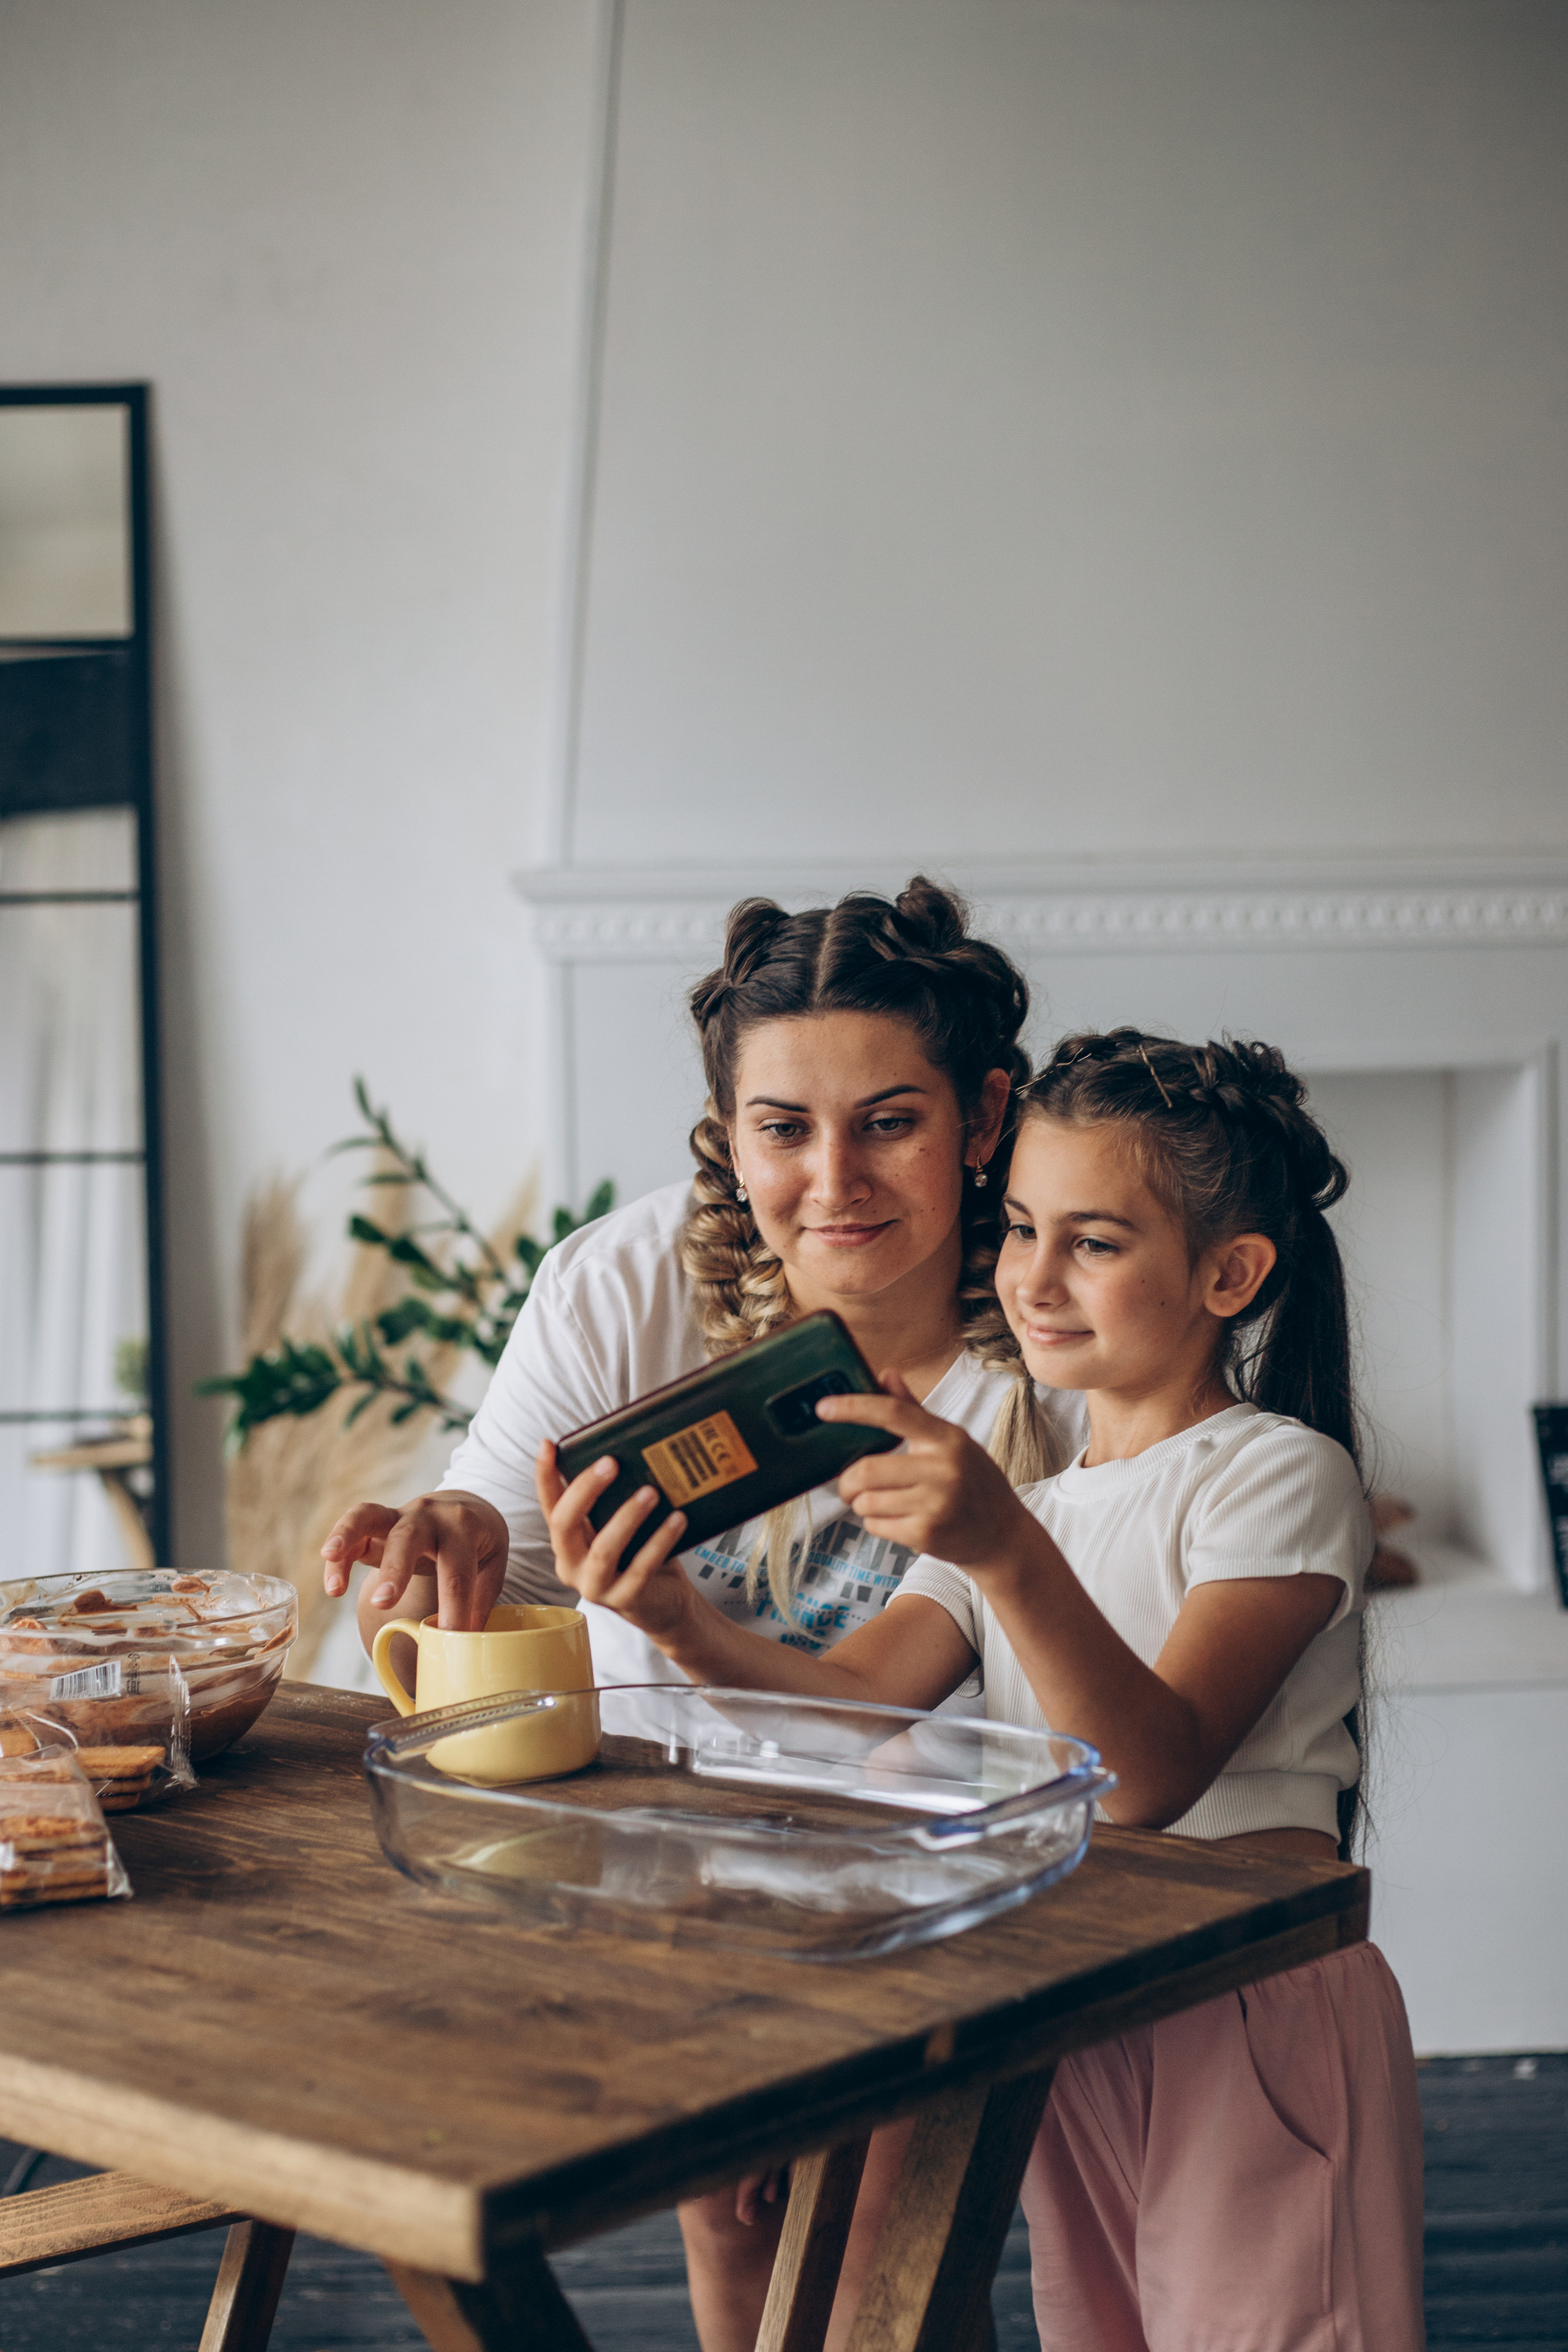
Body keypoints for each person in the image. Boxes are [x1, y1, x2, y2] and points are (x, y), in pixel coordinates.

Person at [542, 1027, 1425, 2352]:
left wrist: (997, 1546)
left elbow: (1150, 1772)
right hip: (1076, 2006)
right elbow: (847, 1706)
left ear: (1229, 1274)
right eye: (1017, 1229)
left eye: (1095, 1241)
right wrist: (670, 1617)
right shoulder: (1018, 1504)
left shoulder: (1276, 1474)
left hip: (1241, 2013)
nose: (1032, 1278)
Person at [318, 877, 1087, 2352]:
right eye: (781, 1127)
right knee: (739, 2272)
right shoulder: (621, 1281)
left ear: (983, 1122)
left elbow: (945, 1690)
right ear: (729, 1130)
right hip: (683, 1865)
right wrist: (452, 1543)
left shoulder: (1044, 1346)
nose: (831, 1180)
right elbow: (502, 1573)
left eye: (890, 1120)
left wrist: (671, 1623)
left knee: (887, 2286)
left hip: (947, 1876)